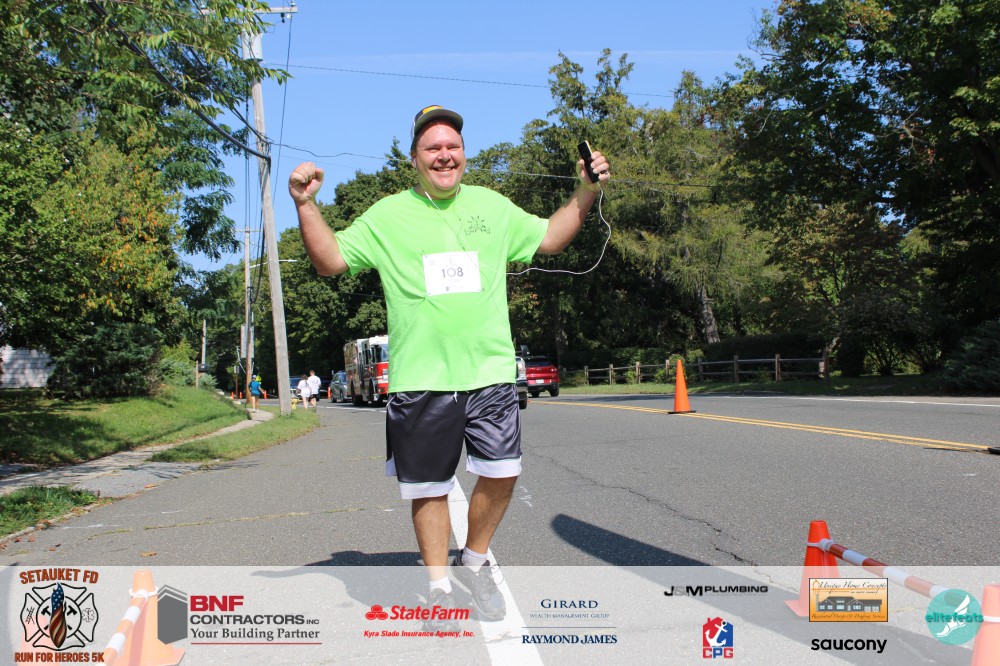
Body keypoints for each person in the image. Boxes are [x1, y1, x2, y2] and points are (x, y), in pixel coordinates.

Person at [288, 105, 610, 623]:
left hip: (490, 374)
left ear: (464, 154)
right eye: (432, 147)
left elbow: (550, 237)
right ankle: (439, 587)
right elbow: (329, 261)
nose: (444, 155)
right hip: (421, 379)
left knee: (503, 472)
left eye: (452, 146)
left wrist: (586, 189)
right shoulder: (388, 214)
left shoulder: (492, 206)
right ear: (414, 158)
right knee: (428, 489)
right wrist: (306, 205)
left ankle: (474, 562)